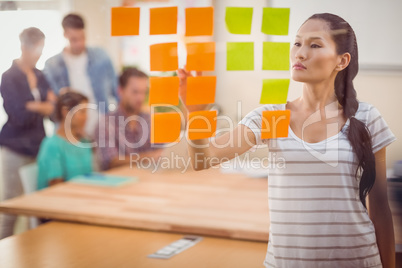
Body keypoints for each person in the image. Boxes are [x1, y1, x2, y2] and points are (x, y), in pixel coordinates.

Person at [178, 13, 396, 268]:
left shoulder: (367, 118)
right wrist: (195, 113)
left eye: (314, 45)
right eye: (297, 43)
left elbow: (380, 209)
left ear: (342, 60)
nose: (300, 53)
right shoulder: (272, 117)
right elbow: (203, 159)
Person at [0, 27, 55, 239]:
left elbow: (52, 109)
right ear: (24, 47)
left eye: (41, 47)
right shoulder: (9, 77)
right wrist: (40, 106)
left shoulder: (41, 75)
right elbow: (18, 115)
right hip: (14, 147)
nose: (39, 53)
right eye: (36, 48)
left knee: (37, 201)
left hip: (37, 146)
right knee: (11, 203)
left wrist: (32, 105)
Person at [43, 13, 118, 136]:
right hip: (72, 132)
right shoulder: (52, 65)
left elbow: (116, 91)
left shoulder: (101, 56)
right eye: (74, 39)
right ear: (64, 34)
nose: (79, 43)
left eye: (82, 38)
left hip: (103, 128)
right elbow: (52, 105)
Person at [94, 67, 162, 171]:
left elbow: (164, 151)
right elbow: (111, 161)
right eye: (135, 92)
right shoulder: (106, 123)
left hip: (150, 180)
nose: (141, 98)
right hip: (120, 183)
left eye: (144, 92)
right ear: (120, 91)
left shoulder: (149, 119)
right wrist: (151, 157)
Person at [37, 91, 92, 190]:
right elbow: (56, 187)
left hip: (84, 197)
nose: (86, 117)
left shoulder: (84, 141)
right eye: (82, 112)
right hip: (60, 200)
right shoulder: (52, 145)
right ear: (66, 112)